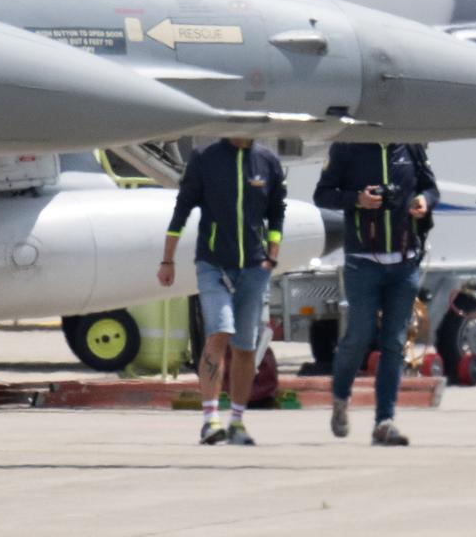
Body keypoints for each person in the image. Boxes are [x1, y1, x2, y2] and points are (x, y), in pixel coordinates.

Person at [158, 137, 287, 446]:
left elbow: (276, 212)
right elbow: (183, 207)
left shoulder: (267, 161)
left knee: (245, 346)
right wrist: (168, 259)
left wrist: (272, 255)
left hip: (255, 268)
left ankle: (237, 422)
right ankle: (210, 419)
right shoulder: (205, 157)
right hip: (213, 264)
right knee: (219, 332)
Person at [313, 141, 438, 446]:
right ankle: (341, 399)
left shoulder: (410, 147)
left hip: (405, 261)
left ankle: (385, 420)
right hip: (362, 262)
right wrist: (357, 199)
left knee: (395, 342)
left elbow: (431, 188)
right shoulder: (348, 147)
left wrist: (423, 200)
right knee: (358, 336)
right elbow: (323, 194)